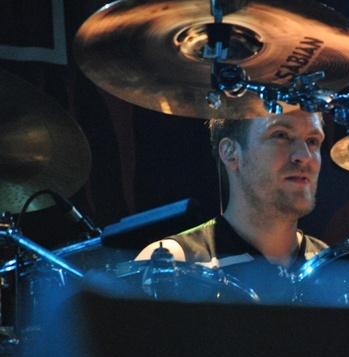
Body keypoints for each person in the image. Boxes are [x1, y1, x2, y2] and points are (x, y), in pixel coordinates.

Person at [135, 110, 328, 301]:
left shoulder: (333, 267)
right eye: (281, 135)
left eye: (312, 141)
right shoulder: (175, 265)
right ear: (231, 153)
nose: (304, 155)